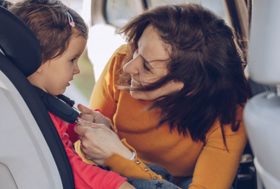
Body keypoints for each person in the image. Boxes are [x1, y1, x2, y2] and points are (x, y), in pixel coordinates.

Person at [75, 3, 251, 189]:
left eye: (147, 67)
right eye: (136, 50)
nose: (129, 67)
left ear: (190, 87)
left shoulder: (229, 113)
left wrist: (122, 157)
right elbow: (86, 152)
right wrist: (100, 135)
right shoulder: (121, 61)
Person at [9, 0, 134, 189]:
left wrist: (86, 126)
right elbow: (67, 167)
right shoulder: (36, 117)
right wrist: (117, 185)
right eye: (72, 60)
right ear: (41, 58)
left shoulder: (37, 101)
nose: (77, 70)